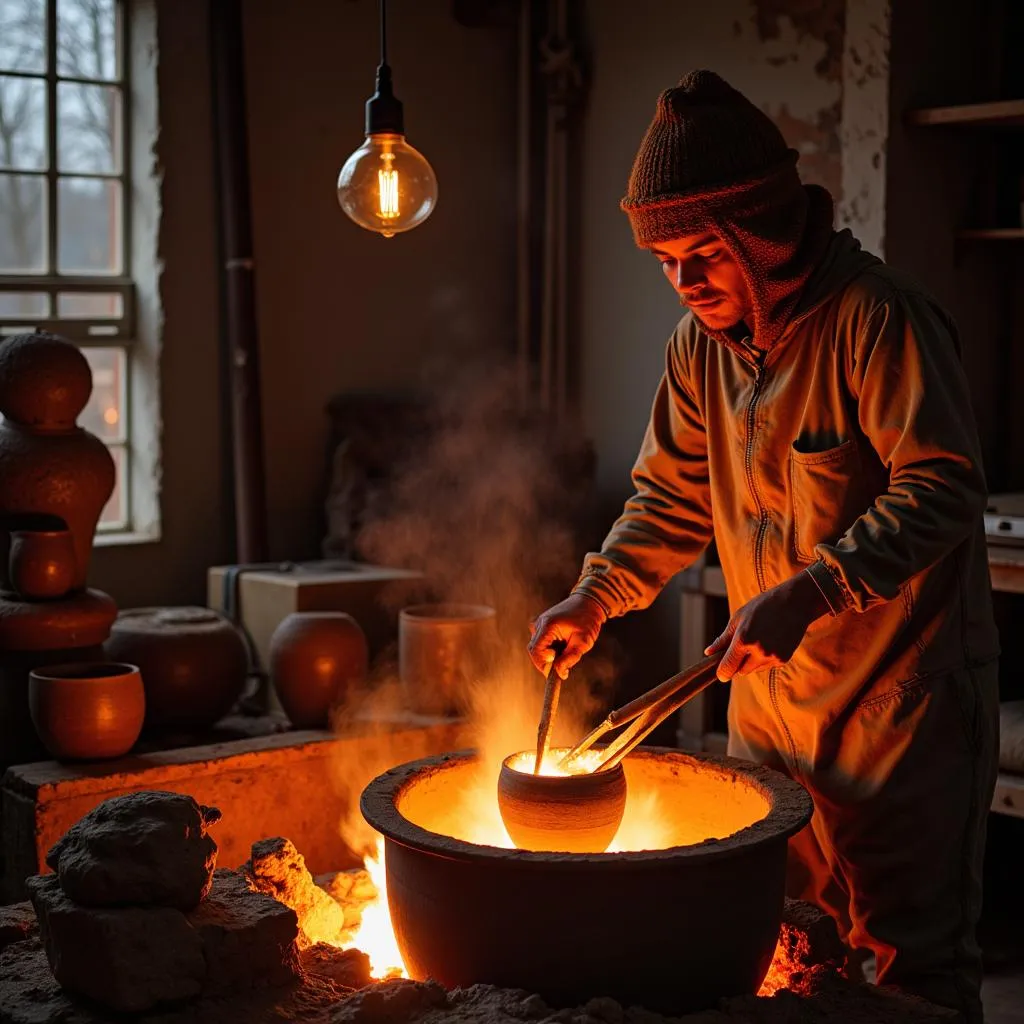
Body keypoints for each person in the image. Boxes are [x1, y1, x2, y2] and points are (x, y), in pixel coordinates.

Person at [528, 70, 1000, 1022]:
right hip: (770, 717)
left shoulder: (878, 321)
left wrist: (815, 591)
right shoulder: (699, 349)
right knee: (796, 954)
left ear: (765, 231)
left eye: (702, 252)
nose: (685, 280)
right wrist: (598, 594)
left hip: (893, 714)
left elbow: (945, 486)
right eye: (664, 262)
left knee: (912, 963)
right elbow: (669, 498)